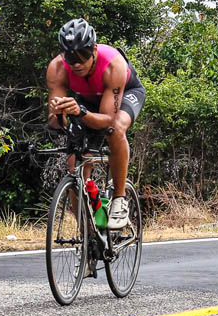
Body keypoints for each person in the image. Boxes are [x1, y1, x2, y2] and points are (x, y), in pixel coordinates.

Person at [46, 18, 145, 229]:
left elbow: (108, 119)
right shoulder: (57, 68)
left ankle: (119, 199)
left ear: (94, 50)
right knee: (75, 166)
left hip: (125, 94)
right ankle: (87, 229)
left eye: (82, 56)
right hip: (87, 101)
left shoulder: (112, 64)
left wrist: (80, 112)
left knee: (115, 129)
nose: (77, 64)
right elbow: (55, 123)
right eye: (71, 58)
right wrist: (59, 115)